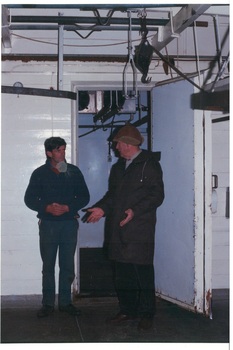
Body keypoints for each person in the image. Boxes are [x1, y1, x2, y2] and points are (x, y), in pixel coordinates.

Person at [85, 124, 164, 331]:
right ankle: (128, 310)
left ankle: (147, 314)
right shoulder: (119, 167)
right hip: (118, 228)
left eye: (118, 143)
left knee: (142, 272)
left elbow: (157, 195)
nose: (116, 147)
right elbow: (113, 196)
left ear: (128, 144)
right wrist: (102, 209)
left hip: (139, 228)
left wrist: (134, 211)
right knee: (122, 272)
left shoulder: (149, 164)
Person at [24, 137, 90, 318]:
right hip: (48, 225)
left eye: (64, 150)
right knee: (48, 265)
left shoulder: (73, 172)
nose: (63, 154)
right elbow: (29, 199)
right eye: (59, 150)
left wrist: (68, 207)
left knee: (67, 265)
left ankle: (66, 303)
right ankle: (47, 304)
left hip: (68, 224)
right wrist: (46, 207)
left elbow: (84, 196)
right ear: (49, 153)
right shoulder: (39, 173)